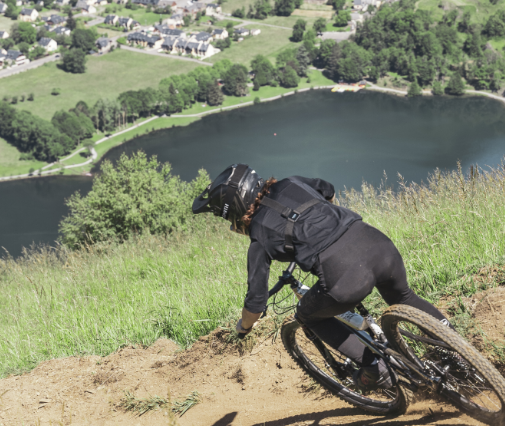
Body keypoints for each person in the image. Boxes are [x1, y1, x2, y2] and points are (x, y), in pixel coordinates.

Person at [192, 164, 450, 391]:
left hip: (344, 276)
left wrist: (243, 327)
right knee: (403, 296)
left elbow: (256, 302)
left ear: (235, 211)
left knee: (307, 316)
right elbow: (328, 189)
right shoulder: (291, 182)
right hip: (377, 243)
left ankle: (376, 368)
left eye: (228, 218)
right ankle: (456, 351)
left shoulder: (259, 237)